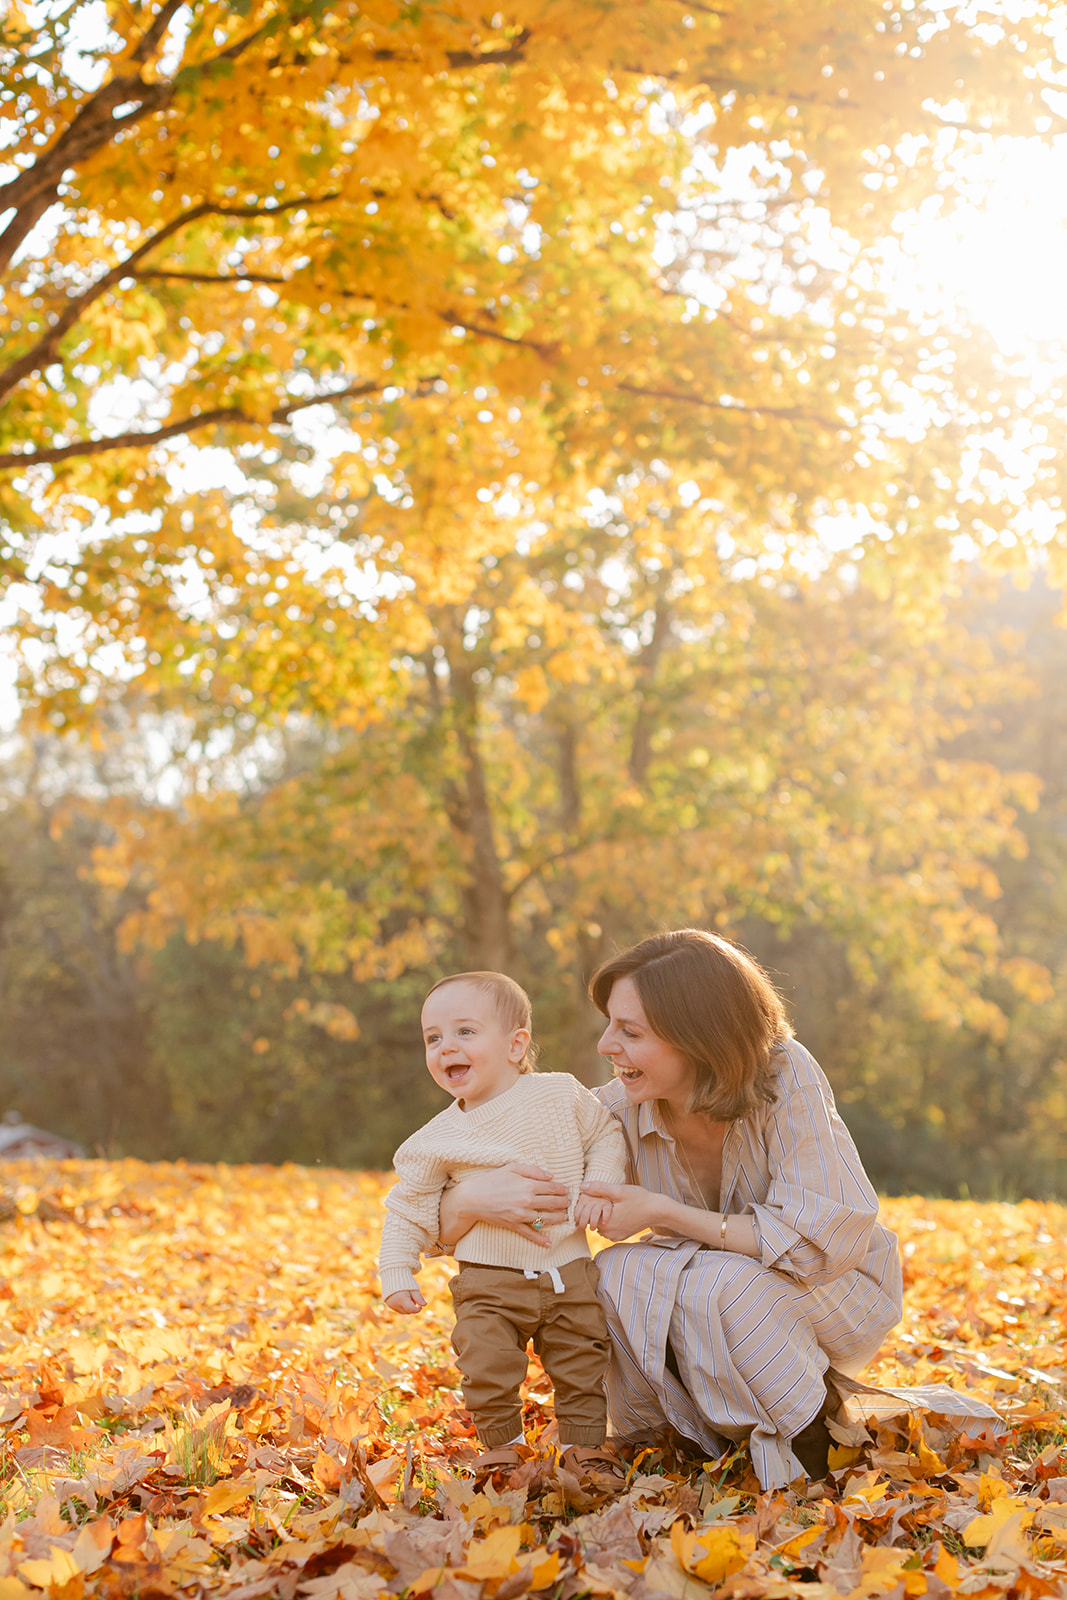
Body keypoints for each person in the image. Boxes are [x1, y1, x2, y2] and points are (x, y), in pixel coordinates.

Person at [437, 930, 905, 1490]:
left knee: (721, 1281)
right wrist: (468, 1198)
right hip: (718, 1295)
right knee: (607, 1275)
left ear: (698, 1038)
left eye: (630, 1032)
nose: (607, 1045)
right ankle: (676, 1437)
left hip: (835, 1288)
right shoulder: (613, 1111)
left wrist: (666, 1212)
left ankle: (814, 1438)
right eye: (610, 1024)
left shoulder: (784, 1074)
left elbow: (822, 1238)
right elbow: (438, 1223)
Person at [378, 970, 629, 1484]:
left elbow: (606, 1132)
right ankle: (502, 1449)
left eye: (465, 1032)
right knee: (485, 1365)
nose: (446, 1046)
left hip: (567, 1268)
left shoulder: (560, 1095)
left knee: (583, 1362)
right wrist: (396, 1270)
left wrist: (600, 1185)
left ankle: (585, 1448)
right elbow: (409, 1207)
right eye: (433, 1038)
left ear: (516, 1045)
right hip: (488, 1280)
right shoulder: (435, 1139)